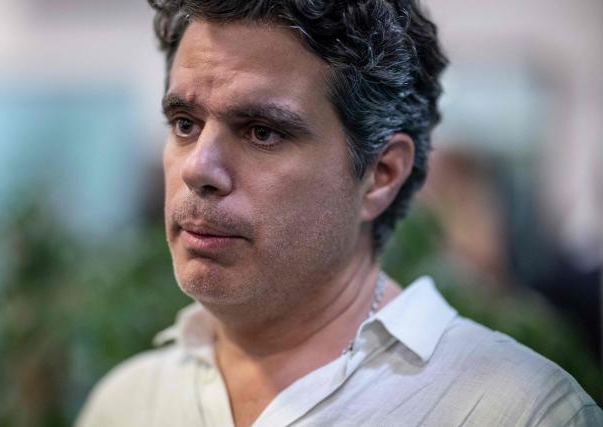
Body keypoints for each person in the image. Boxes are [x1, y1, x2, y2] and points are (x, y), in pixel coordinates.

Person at [76, 1, 602, 426]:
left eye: (263, 131)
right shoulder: (127, 403)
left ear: (381, 174)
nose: (198, 169)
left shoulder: (518, 410)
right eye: (185, 123)